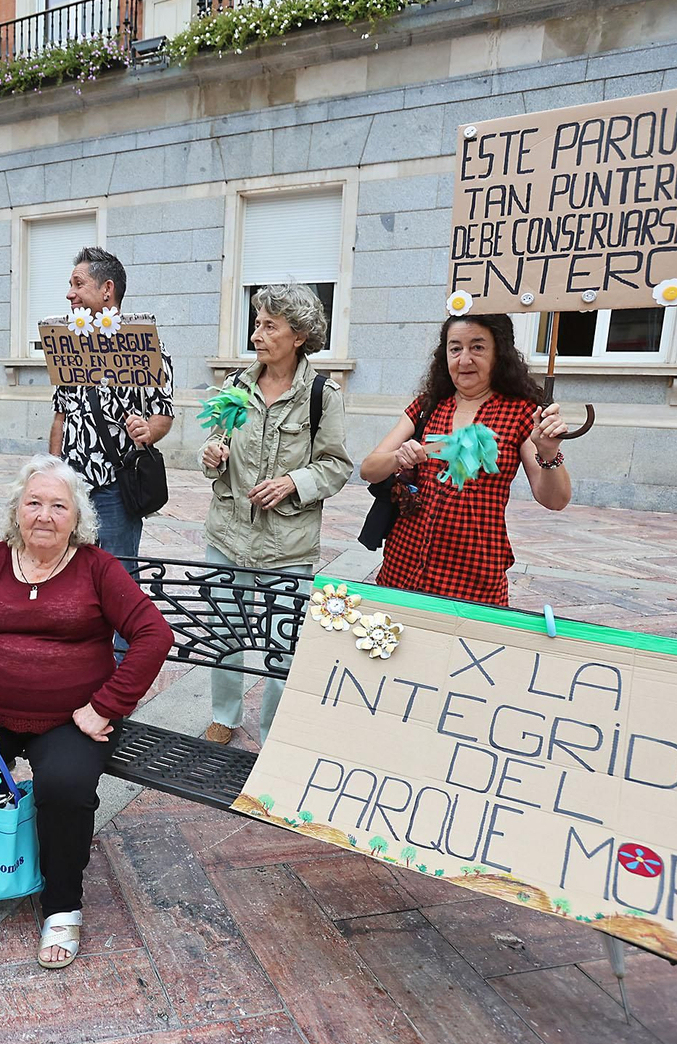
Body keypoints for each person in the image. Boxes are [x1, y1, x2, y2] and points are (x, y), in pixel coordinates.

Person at [0, 455, 174, 969]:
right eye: (34, 502)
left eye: (59, 506)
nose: (44, 515)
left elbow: (154, 635)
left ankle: (61, 905)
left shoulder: (97, 568)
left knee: (65, 788)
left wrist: (105, 706)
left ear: (77, 518)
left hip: (69, 718)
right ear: (17, 510)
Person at [199, 284, 352, 746]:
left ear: (299, 335)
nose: (257, 334)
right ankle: (224, 716)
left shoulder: (322, 395)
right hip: (227, 535)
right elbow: (216, 445)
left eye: (270, 326)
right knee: (224, 633)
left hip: (287, 545)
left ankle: (273, 736)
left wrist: (292, 483)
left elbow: (336, 466)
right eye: (257, 323)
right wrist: (212, 453)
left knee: (282, 648)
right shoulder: (236, 386)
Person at [360, 314, 571, 608]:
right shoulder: (427, 406)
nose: (464, 359)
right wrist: (398, 457)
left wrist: (548, 453)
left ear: (499, 353)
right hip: (403, 567)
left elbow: (555, 499)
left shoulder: (522, 413)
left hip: (475, 577)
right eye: (455, 348)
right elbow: (369, 469)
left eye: (478, 347)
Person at [49, 246, 174, 564]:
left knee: (118, 575)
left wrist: (147, 431)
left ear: (107, 289)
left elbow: (163, 413)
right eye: (70, 285)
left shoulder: (146, 346)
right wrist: (52, 472)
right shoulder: (70, 345)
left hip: (116, 488)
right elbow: (60, 416)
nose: (69, 294)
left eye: (78, 284)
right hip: (71, 487)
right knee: (69, 572)